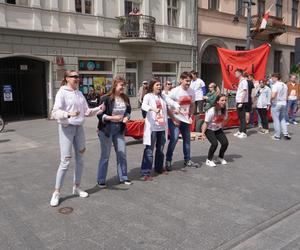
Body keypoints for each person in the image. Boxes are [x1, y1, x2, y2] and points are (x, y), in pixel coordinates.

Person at [50, 70, 105, 207]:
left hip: (79, 128)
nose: (77, 79)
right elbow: (54, 113)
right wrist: (68, 114)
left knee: (80, 159)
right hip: (67, 128)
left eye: (78, 77)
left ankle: (77, 187)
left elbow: (86, 112)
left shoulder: (80, 93)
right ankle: (56, 192)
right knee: (65, 161)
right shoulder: (62, 92)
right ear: (67, 78)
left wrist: (99, 108)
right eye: (74, 77)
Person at [96, 76, 132, 187]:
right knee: (105, 155)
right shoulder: (105, 98)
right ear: (115, 85)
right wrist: (112, 118)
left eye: (124, 85)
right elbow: (99, 114)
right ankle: (101, 180)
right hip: (106, 129)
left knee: (122, 154)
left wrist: (127, 117)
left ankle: (123, 177)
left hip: (119, 129)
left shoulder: (125, 98)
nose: (123, 88)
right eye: (121, 85)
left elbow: (128, 112)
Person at [140, 78, 179, 180]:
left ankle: (158, 168)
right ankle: (145, 172)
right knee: (149, 150)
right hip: (152, 128)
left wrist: (177, 105)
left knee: (160, 150)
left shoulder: (162, 96)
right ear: (152, 86)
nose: (159, 87)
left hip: (162, 127)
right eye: (157, 85)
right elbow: (143, 105)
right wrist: (152, 108)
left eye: (160, 85)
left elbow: (170, 101)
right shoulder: (148, 96)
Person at [165, 71, 199, 171]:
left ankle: (187, 160)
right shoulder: (175, 91)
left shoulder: (192, 91)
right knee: (174, 139)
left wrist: (191, 115)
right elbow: (167, 106)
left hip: (185, 120)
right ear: (181, 80)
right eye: (186, 81)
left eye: (190, 81)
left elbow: (193, 105)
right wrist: (173, 118)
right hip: (174, 119)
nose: (188, 83)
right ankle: (168, 160)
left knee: (187, 140)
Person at [200, 94, 229, 167]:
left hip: (217, 129)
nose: (224, 102)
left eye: (225, 100)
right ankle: (209, 160)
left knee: (225, 143)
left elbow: (225, 120)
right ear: (217, 102)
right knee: (214, 144)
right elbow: (205, 123)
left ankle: (220, 157)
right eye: (222, 100)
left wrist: (221, 125)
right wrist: (202, 134)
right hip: (209, 129)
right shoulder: (211, 111)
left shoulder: (225, 110)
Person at [270, 73, 291, 140]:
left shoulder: (275, 85)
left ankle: (277, 135)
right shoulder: (284, 85)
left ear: (276, 78)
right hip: (283, 103)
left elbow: (273, 95)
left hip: (276, 103)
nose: (272, 79)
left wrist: (270, 101)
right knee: (282, 119)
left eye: (273, 77)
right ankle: (286, 133)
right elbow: (287, 95)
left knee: (276, 120)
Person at [234, 69, 248, 139]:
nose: (235, 74)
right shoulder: (240, 81)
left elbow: (245, 91)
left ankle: (244, 132)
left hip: (241, 102)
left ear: (240, 73)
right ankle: (240, 130)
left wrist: (241, 102)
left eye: (236, 73)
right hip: (239, 101)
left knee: (242, 117)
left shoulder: (244, 81)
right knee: (240, 117)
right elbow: (241, 91)